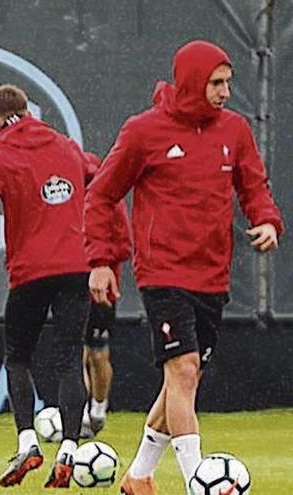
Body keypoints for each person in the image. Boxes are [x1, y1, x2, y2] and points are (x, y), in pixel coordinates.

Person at [85, 40, 283, 495]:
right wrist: (101, 260)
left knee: (182, 381)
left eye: (229, 82)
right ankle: (199, 481)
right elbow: (101, 195)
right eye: (217, 83)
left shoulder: (234, 131)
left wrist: (267, 220)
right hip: (162, 273)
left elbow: (254, 185)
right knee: (184, 369)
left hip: (212, 275)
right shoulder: (143, 132)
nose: (226, 92)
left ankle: (138, 476)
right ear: (192, 80)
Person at [0, 84, 91, 488]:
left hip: (31, 273)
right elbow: (101, 175)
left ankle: (28, 442)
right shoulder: (67, 148)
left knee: (18, 358)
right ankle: (69, 449)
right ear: (29, 111)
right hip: (75, 267)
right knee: (70, 358)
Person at [80, 152, 132, 439]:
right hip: (70, 281)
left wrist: (103, 265)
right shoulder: (65, 196)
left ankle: (98, 408)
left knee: (98, 354)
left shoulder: (105, 196)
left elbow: (124, 243)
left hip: (102, 288)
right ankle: (78, 414)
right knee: (74, 352)